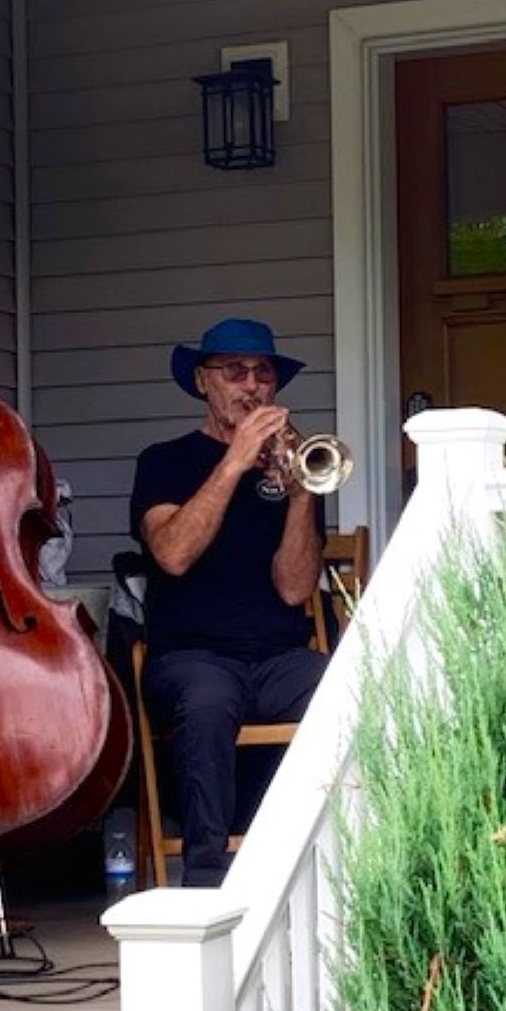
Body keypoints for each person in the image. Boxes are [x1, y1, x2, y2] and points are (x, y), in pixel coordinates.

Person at [129, 318, 327, 887]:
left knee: (342, 692)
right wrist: (235, 461)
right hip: (190, 656)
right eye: (235, 372)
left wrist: (298, 500)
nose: (252, 385)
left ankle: (329, 863)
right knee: (209, 699)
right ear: (202, 382)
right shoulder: (162, 462)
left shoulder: (300, 465)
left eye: (263, 373)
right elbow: (172, 553)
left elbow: (294, 589)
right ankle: (206, 881)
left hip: (277, 656)